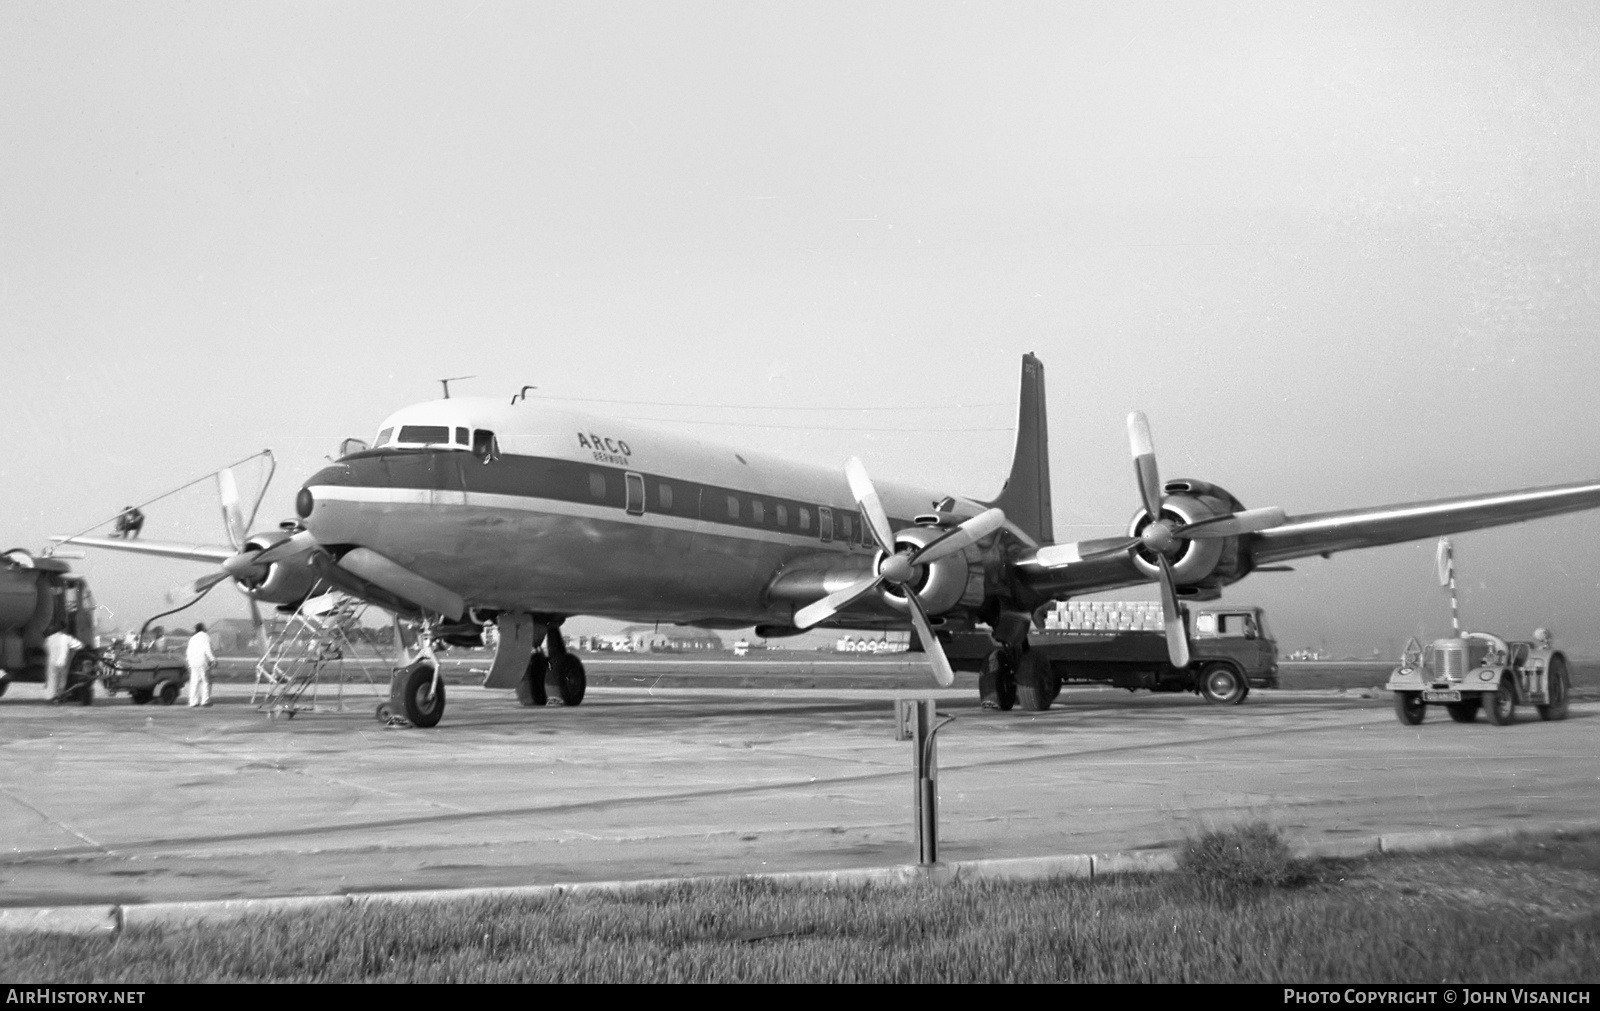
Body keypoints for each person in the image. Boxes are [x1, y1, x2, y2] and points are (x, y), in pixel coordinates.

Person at [45, 629, 83, 703]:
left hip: (52, 661)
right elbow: (79, 645)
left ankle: (52, 696)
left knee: (52, 679)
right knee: (62, 679)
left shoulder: (50, 638)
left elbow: (46, 647)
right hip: (62, 661)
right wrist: (72, 651)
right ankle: (59, 696)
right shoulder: (66, 638)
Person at [186, 623, 216, 707]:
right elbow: (207, 649)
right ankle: (205, 700)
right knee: (205, 681)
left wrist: (189, 662)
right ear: (203, 628)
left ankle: (193, 701)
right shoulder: (205, 636)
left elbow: (188, 652)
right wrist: (212, 659)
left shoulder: (192, 638)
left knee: (194, 682)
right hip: (202, 661)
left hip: (193, 662)